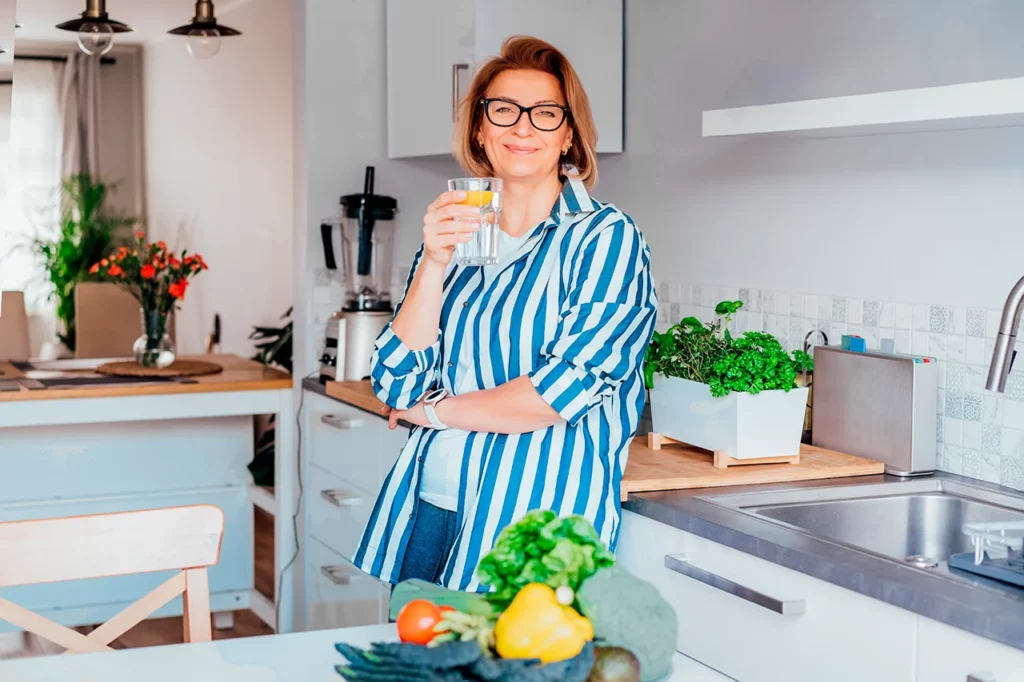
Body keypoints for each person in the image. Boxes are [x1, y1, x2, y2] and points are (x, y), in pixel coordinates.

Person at [353, 35, 657, 591]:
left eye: (545, 114)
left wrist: (437, 413)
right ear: (479, 129)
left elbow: (556, 394)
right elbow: (396, 384)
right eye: (504, 110)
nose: (523, 128)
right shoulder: (454, 237)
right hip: (433, 504)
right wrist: (434, 263)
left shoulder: (605, 239)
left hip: (534, 526)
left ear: (568, 133)